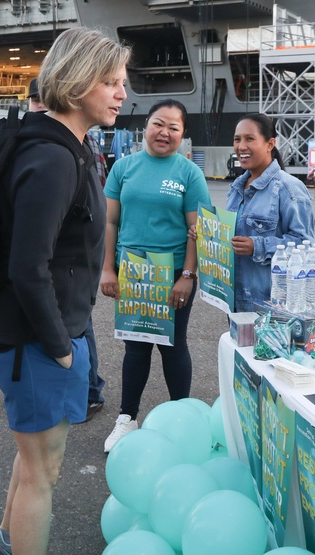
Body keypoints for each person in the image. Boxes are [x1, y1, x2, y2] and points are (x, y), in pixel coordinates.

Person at [0, 28, 131, 555]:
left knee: (32, 455)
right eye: (110, 81)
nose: (121, 92)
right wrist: (62, 345)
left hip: (42, 331)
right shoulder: (53, 158)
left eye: (122, 81)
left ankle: (2, 542)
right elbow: (27, 267)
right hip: (35, 340)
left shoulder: (69, 145)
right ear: (77, 81)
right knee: (45, 471)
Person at [99, 99, 212, 452]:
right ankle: (126, 418)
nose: (164, 133)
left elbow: (198, 229)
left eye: (173, 128)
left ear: (182, 134)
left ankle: (184, 420)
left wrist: (188, 275)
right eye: (158, 124)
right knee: (136, 347)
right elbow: (110, 221)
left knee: (173, 346)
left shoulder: (188, 173)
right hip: (132, 271)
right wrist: (107, 268)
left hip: (174, 272)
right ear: (146, 126)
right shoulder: (124, 168)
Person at [29, 77, 107, 415]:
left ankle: (89, 390)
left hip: (72, 266)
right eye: (35, 101)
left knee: (78, 328)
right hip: (53, 263)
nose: (40, 107)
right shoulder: (37, 148)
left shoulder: (80, 150)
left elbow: (97, 207)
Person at [227, 113, 314, 312]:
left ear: (270, 144)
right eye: (237, 139)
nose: (241, 147)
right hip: (235, 300)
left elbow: (305, 247)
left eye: (250, 139)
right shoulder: (236, 188)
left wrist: (257, 246)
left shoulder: (290, 189)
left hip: (270, 305)